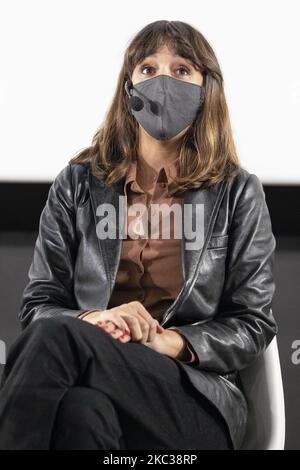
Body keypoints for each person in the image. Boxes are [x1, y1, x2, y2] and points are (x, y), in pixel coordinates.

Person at [0, 20, 277, 450]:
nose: (163, 81)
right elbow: (39, 306)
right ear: (128, 89)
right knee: (80, 415)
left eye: (182, 69)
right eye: (147, 69)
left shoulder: (238, 192)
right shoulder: (76, 185)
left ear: (208, 89)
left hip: (192, 397)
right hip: (98, 372)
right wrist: (96, 321)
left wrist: (171, 341)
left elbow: (252, 322)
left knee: (58, 340)